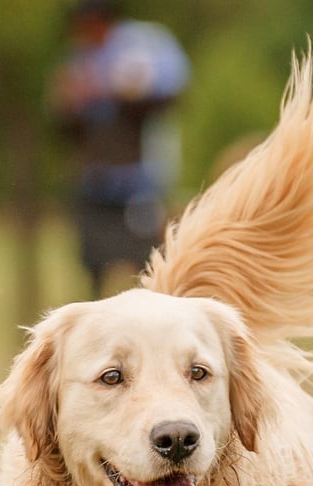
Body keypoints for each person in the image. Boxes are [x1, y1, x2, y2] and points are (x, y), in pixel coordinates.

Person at [53, 0, 188, 297]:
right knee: (94, 263)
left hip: (138, 181)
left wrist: (110, 91)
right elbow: (66, 120)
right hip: (96, 183)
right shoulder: (80, 58)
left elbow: (166, 95)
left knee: (147, 262)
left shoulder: (143, 46)